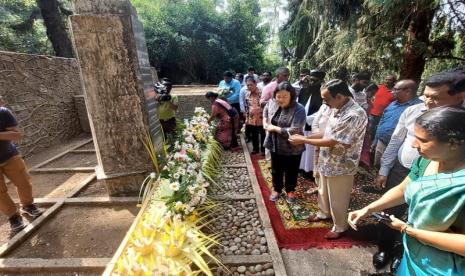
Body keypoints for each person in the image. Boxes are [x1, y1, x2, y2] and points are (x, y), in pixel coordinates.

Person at [349, 106, 465, 275]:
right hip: (414, 252)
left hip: (444, 267)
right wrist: (369, 208)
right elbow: (404, 188)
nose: (413, 144)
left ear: (453, 144)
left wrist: (407, 229)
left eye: (423, 141)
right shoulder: (425, 161)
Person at [369, 71, 465, 271]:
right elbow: (397, 141)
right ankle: (386, 250)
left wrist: (408, 230)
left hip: (444, 264)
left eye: (435, 98)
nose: (427, 102)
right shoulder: (414, 113)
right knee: (392, 214)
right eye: (426, 96)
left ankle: (398, 251)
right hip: (404, 170)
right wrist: (384, 170)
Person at [289, 79, 367, 239]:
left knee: (338, 197)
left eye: (326, 99)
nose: (324, 102)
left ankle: (340, 226)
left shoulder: (353, 114)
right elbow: (326, 133)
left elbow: (332, 140)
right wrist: (304, 135)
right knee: (323, 190)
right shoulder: (336, 107)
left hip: (342, 164)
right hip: (327, 159)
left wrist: (304, 140)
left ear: (339, 96)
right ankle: (324, 213)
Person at [0, 104, 43, 234]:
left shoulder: (3, 112)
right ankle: (13, 217)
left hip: (10, 156)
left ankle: (28, 205)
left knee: (24, 182)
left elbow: (16, 135)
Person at [263, 81, 306, 204]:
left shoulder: (299, 109)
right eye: (279, 96)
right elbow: (266, 110)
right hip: (275, 143)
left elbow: (295, 129)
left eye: (285, 96)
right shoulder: (272, 103)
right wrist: (265, 122)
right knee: (276, 168)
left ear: (291, 96)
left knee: (291, 169)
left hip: (292, 146)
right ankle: (277, 189)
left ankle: (290, 190)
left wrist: (274, 128)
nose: (281, 99)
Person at [370, 80, 423, 167]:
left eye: (395, 89)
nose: (391, 91)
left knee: (391, 171)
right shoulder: (392, 104)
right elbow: (382, 121)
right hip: (382, 143)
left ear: (407, 91)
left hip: (399, 148)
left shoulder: (419, 108)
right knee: (378, 168)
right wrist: (375, 140)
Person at [297, 69, 325, 180]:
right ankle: (301, 168)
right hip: (302, 124)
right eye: (310, 80)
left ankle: (310, 171)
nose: (311, 83)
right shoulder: (304, 90)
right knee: (302, 148)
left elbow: (323, 111)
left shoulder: (322, 93)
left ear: (321, 81)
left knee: (311, 150)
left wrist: (308, 119)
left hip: (314, 126)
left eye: (314, 81)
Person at [369, 75, 397, 139]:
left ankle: (374, 145)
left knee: (379, 131)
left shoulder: (395, 91)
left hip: (385, 116)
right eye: (386, 79)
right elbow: (370, 94)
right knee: (370, 130)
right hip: (372, 114)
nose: (387, 81)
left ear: (394, 81)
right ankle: (369, 144)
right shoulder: (380, 87)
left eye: (389, 80)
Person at [244, 77, 265, 154]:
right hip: (251, 118)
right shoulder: (247, 94)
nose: (249, 87)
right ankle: (255, 149)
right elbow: (247, 107)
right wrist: (246, 118)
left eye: (251, 85)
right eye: (248, 85)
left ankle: (263, 150)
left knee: (263, 134)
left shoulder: (262, 93)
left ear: (255, 84)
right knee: (253, 134)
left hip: (261, 117)